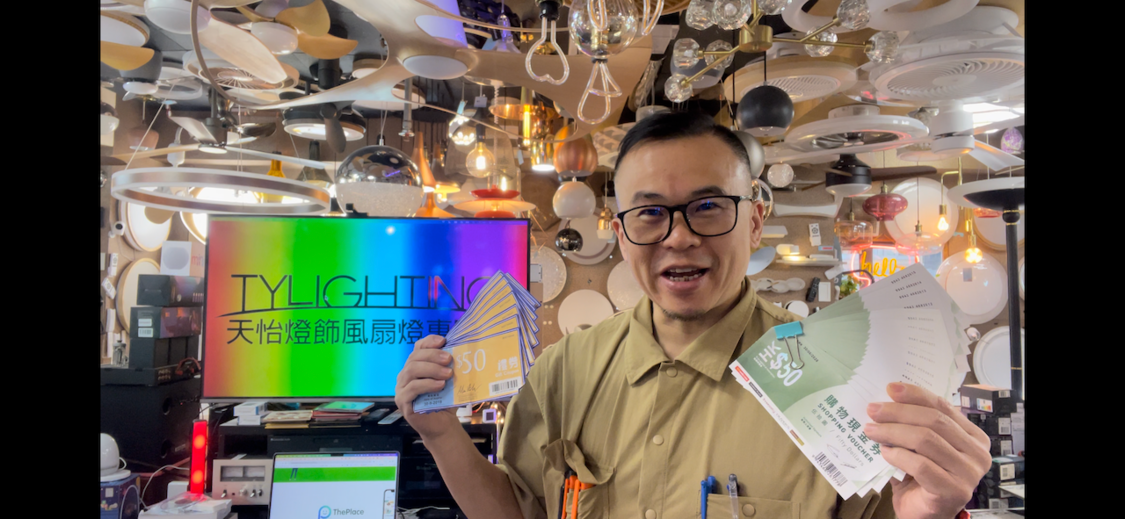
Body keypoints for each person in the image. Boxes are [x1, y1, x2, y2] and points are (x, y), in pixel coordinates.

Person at [395, 111, 992, 519]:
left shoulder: (844, 381)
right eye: (650, 213)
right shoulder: (563, 370)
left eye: (708, 206)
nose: (678, 237)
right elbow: (518, 510)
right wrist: (442, 435)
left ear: (754, 220)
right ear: (621, 233)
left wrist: (933, 512)